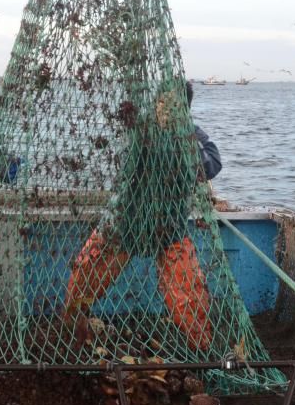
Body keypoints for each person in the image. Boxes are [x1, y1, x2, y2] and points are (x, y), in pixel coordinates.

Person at [63, 80, 221, 350]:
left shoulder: (192, 136)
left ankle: (201, 349)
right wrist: (131, 123)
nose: (165, 110)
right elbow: (122, 153)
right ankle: (71, 332)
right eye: (161, 102)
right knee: (85, 276)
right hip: (125, 222)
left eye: (174, 105)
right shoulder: (139, 130)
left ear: (185, 110)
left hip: (168, 227)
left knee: (189, 296)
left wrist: (183, 141)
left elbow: (212, 165)